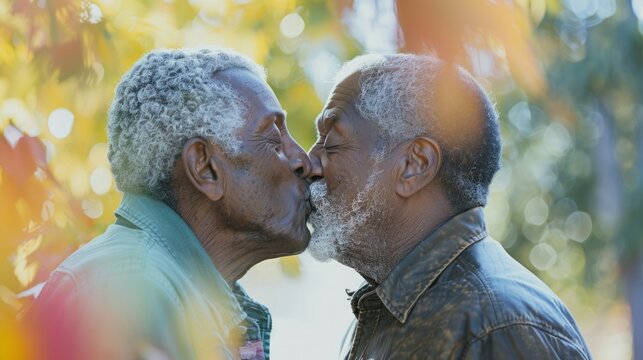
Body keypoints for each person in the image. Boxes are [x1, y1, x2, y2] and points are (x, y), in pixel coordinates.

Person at [26, 48, 312, 360]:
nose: (303, 161)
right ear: (205, 168)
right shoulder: (130, 290)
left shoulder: (166, 285)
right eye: (273, 139)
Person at [307, 54, 592, 359]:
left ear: (414, 165)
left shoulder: (499, 327)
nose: (309, 162)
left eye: (332, 141)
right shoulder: (386, 310)